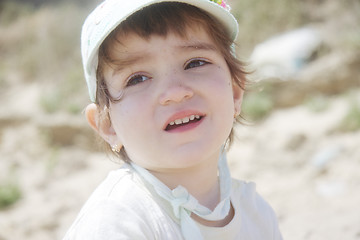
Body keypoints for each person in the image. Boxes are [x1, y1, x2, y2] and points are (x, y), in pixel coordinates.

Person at [63, 0, 283, 239]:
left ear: (235, 93)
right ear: (107, 125)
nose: (176, 92)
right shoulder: (115, 222)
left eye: (195, 63)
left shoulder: (256, 213)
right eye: (137, 79)